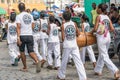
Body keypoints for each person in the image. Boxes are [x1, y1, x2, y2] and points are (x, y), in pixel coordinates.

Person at [91, 3, 120, 79]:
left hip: (101, 38)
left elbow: (95, 28)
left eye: (97, 8)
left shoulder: (99, 16)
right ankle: (98, 70)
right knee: (102, 54)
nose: (97, 9)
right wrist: (106, 30)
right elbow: (112, 29)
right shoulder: (107, 17)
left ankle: (115, 70)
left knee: (104, 55)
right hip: (107, 37)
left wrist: (90, 32)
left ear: (100, 9)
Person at [57, 11, 87, 80]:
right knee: (78, 61)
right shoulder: (74, 24)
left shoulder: (63, 25)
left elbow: (63, 38)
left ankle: (61, 76)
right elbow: (78, 33)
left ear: (63, 18)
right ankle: (83, 77)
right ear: (71, 17)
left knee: (64, 61)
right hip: (74, 45)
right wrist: (74, 35)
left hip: (67, 45)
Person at [16, 2, 41, 73]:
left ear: (19, 9)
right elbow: (33, 26)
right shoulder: (30, 16)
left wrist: (18, 38)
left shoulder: (18, 16)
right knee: (31, 51)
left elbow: (18, 27)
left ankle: (25, 67)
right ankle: (36, 60)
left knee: (22, 51)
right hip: (30, 35)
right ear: (25, 8)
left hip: (22, 35)